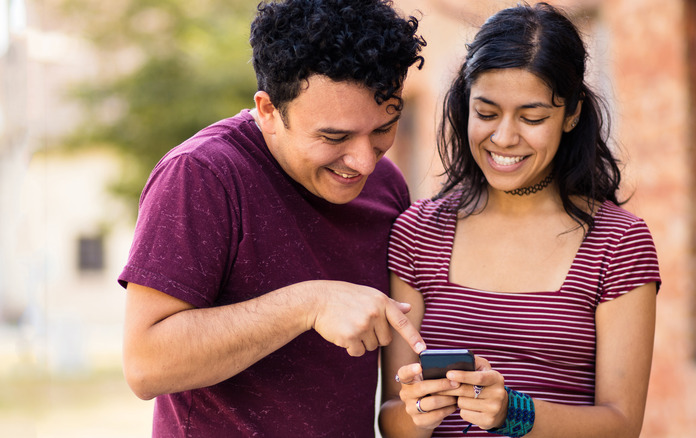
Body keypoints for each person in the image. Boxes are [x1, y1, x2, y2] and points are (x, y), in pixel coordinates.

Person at [118, 0, 428, 436]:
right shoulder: (202, 174)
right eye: (334, 136)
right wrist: (308, 305)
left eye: (383, 128)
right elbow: (146, 365)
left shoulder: (387, 185)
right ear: (267, 111)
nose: (362, 162)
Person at [379, 3, 661, 437]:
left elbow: (621, 425)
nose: (504, 138)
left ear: (572, 114)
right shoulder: (418, 232)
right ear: (463, 105)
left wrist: (512, 412)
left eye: (532, 118)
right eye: (486, 113)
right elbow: (392, 415)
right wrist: (417, 412)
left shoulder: (618, 242)